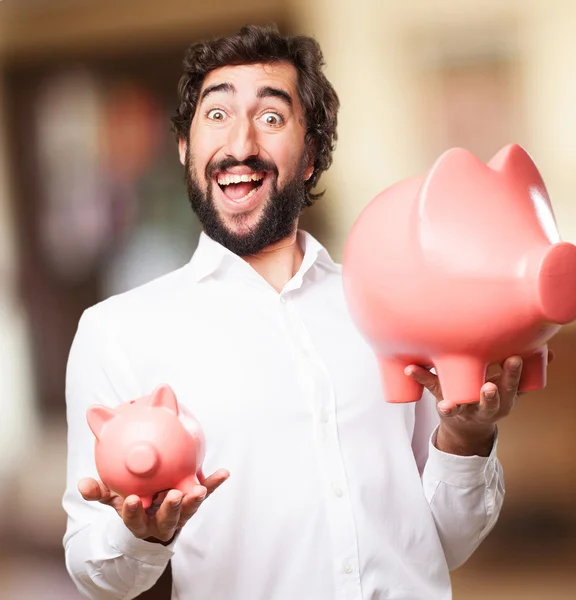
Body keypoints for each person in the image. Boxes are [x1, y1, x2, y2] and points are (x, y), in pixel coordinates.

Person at [62, 24, 532, 600]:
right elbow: (95, 573)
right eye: (216, 115)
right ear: (185, 150)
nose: (240, 143)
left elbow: (444, 542)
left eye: (271, 117)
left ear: (309, 156)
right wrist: (142, 538)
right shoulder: (118, 332)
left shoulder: (391, 303)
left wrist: (465, 436)